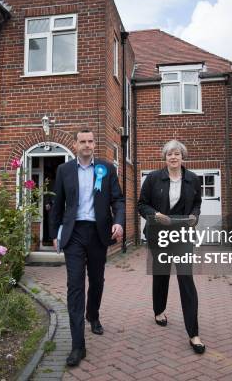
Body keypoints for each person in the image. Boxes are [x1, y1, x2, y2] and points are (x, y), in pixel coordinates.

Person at [50, 129, 125, 367]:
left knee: (97, 280)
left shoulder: (106, 168)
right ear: (75, 144)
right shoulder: (64, 170)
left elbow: (118, 199)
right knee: (75, 285)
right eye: (82, 141)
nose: (87, 145)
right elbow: (57, 203)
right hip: (73, 234)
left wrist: (118, 221)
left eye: (90, 141)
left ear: (94, 144)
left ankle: (93, 314)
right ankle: (77, 345)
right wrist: (54, 234)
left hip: (97, 233)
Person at [137, 139, 206, 354]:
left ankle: (193, 333)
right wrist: (154, 215)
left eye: (177, 154)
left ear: (182, 156)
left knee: (186, 278)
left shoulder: (193, 179)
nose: (173, 157)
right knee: (161, 275)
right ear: (165, 157)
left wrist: (195, 216)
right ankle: (159, 310)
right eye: (169, 154)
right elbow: (142, 204)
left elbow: (197, 203)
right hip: (159, 234)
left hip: (183, 234)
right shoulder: (153, 179)